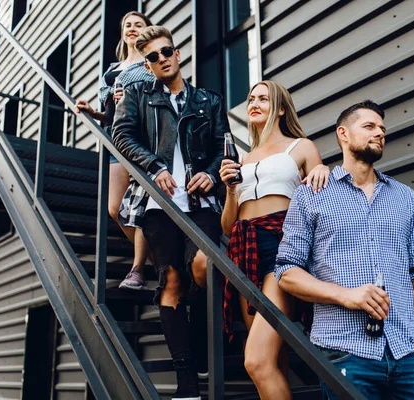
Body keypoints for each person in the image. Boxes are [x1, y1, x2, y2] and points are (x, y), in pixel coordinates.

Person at [274, 100, 414, 399]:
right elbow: (286, 272)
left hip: (410, 352)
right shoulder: (312, 195)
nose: (379, 132)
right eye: (369, 126)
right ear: (343, 134)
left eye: (382, 128)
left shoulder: (404, 196)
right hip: (345, 352)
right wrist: (347, 295)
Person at [112, 26, 229, 400]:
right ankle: (187, 379)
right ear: (146, 65)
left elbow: (222, 147)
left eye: (166, 52)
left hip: (201, 204)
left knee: (203, 267)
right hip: (159, 206)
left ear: (178, 55)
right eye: (152, 57)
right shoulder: (137, 95)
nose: (161, 59)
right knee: (173, 280)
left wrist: (211, 175)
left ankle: (198, 339)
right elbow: (122, 136)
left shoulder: (208, 100)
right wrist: (155, 167)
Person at [219, 80, 330, 400]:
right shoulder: (242, 157)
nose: (254, 103)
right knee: (272, 358)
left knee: (255, 360)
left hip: (282, 245)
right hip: (243, 249)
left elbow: (323, 191)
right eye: (251, 98)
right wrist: (229, 189)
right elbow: (227, 226)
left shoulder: (301, 147)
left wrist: (323, 170)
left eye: (264, 99)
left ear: (281, 108)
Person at [74, 11, 154, 290]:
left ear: (147, 30)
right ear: (122, 33)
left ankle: (137, 269)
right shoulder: (111, 70)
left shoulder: (150, 63)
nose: (132, 29)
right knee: (115, 208)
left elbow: (159, 95)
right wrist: (92, 111)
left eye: (138, 25)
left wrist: (132, 96)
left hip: (142, 138)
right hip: (115, 140)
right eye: (127, 25)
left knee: (141, 205)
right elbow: (109, 116)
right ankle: (158, 256)